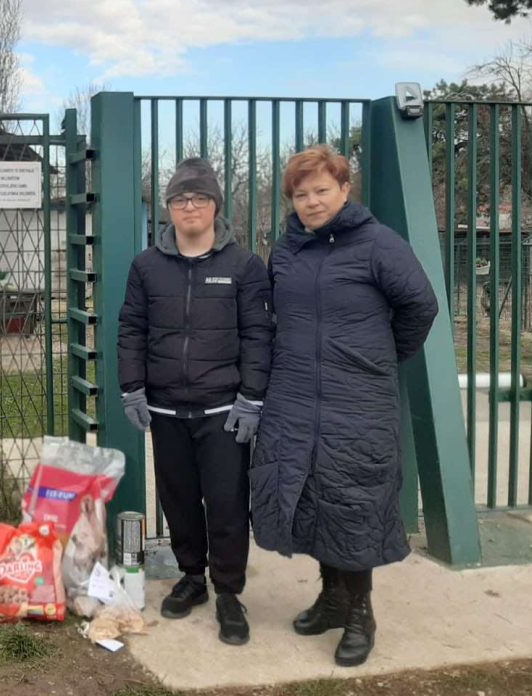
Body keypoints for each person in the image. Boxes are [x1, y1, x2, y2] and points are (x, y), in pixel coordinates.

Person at [250, 146, 438, 667]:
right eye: (301, 194)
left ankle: (361, 613)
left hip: (355, 400)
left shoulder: (379, 244)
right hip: (292, 395)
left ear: (344, 189)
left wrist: (379, 357)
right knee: (309, 497)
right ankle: (332, 599)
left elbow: (420, 304)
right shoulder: (287, 250)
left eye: (321, 191)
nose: (311, 202)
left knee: (352, 504)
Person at [117, 158, 272, 646]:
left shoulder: (244, 266)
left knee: (226, 504)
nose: (190, 207)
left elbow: (259, 336)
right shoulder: (146, 266)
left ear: (215, 207)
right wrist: (132, 387)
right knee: (178, 499)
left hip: (223, 412)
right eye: (181, 199)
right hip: (166, 410)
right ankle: (192, 578)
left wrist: (251, 399)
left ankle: (229, 592)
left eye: (200, 198)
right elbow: (131, 330)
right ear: (168, 209)